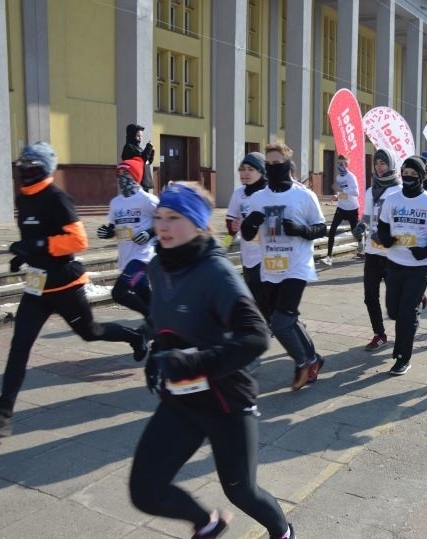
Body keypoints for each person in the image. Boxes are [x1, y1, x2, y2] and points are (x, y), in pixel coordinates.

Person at [128, 182, 294, 539]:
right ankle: (208, 524)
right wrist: (157, 354)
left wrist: (188, 362)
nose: (162, 226)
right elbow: (166, 319)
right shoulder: (159, 266)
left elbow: (256, 336)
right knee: (145, 491)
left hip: (226, 402)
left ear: (198, 223)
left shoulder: (215, 271)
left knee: (241, 490)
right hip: (181, 400)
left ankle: (283, 532)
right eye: (158, 217)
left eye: (174, 217)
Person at [0, 142, 148, 438]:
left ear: (44, 169)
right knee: (19, 346)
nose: (24, 169)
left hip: (65, 284)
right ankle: (2, 415)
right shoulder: (24, 198)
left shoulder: (56, 198)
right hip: (37, 287)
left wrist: (37, 246)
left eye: (31, 164)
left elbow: (78, 241)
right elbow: (34, 235)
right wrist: (23, 255)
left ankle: (136, 337)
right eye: (22, 164)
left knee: (91, 333)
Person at [240, 143, 327, 390]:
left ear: (288, 165)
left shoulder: (303, 195)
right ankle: (314, 359)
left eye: (278, 164)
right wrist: (251, 223)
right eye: (268, 165)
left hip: (297, 265)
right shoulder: (258, 197)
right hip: (270, 266)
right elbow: (246, 235)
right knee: (290, 319)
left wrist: (300, 230)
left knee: (280, 321)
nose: (273, 168)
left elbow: (320, 228)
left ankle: (303, 362)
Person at [377, 156, 427, 375]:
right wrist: (385, 238)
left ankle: (402, 357)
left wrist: (424, 252)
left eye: (413, 174)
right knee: (394, 311)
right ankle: (417, 303)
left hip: (420, 266)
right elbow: (383, 227)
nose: (408, 178)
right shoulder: (392, 200)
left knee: (406, 316)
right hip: (394, 263)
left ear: (421, 176)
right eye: (405, 174)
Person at [97, 157, 159, 318]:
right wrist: (108, 232)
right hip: (126, 258)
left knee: (119, 292)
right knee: (146, 297)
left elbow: (165, 220)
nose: (122, 177)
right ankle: (161, 323)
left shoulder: (148, 200)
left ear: (135, 176)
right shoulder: (115, 203)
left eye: (126, 173)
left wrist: (150, 233)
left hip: (142, 258)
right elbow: (114, 227)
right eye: (119, 173)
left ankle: (153, 318)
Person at [359, 149, 402, 351]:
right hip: (372, 252)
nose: (379, 166)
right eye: (376, 163)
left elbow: (402, 223)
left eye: (383, 163)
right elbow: (368, 216)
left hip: (392, 253)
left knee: (396, 297)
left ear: (391, 165)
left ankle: (417, 296)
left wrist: (388, 237)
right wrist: (361, 226)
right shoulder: (370, 191)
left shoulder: (399, 191)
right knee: (370, 296)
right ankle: (380, 334)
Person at [225, 152, 268, 314]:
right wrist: (233, 226)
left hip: (269, 251)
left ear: (262, 171)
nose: (245, 173)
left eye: (250, 169)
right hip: (248, 251)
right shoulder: (239, 193)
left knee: (266, 291)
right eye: (242, 169)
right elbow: (230, 222)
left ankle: (278, 322)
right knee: (252, 288)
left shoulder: (269, 193)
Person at [322, 154, 361, 266]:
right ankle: (328, 257)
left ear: (347, 165)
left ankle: (361, 243)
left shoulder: (351, 177)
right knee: (332, 229)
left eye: (343, 163)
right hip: (341, 208)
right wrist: (337, 195)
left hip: (352, 208)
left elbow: (356, 193)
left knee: (355, 231)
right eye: (339, 163)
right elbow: (342, 193)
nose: (341, 165)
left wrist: (341, 189)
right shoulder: (338, 178)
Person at [121, 123, 155, 192]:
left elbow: (147, 163)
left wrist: (152, 152)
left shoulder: (138, 148)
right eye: (138, 136)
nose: (140, 138)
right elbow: (141, 160)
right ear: (132, 135)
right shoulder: (129, 147)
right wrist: (148, 147)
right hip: (136, 184)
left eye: (141, 136)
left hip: (144, 183)